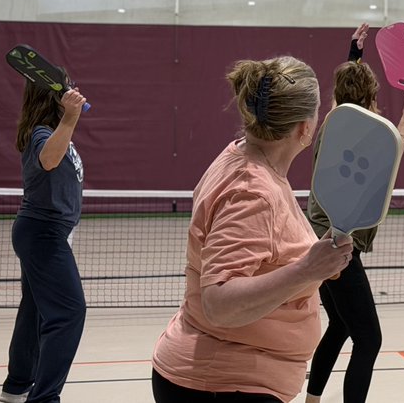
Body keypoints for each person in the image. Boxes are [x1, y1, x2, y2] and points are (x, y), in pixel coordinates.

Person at [151, 56, 353, 403]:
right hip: (222, 383)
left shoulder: (244, 158)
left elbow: (266, 256)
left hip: (224, 377)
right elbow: (219, 303)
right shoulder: (253, 191)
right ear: (306, 128)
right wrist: (306, 269)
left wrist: (314, 266)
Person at [305, 24, 404, 403]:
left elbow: (348, 88)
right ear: (373, 95)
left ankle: (312, 400)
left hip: (317, 239)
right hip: (339, 244)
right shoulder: (368, 132)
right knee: (369, 340)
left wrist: (355, 55)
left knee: (340, 326)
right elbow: (384, 164)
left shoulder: (335, 120)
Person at [0, 73, 89, 403]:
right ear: (51, 95)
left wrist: (67, 121)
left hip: (50, 234)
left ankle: (17, 385)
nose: (73, 89)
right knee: (69, 313)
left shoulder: (54, 132)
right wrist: (70, 117)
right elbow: (49, 160)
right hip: (42, 234)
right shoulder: (42, 132)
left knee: (35, 308)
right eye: (65, 85)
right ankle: (44, 398)